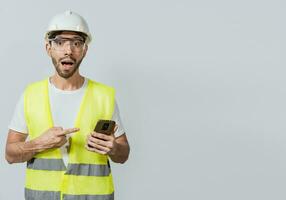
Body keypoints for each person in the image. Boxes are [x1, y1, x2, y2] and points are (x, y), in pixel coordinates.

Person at [5, 10, 130, 200]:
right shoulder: (31, 95)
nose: (68, 50)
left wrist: (114, 148)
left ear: (84, 50)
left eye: (77, 43)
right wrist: (39, 143)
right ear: (48, 48)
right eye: (59, 42)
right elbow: (10, 154)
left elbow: (123, 154)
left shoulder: (104, 96)